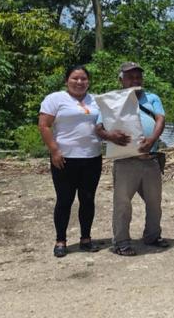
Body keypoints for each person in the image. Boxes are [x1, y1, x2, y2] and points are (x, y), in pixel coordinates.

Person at [95, 62, 168, 256]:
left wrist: (152, 139)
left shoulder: (152, 98)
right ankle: (121, 242)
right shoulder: (111, 100)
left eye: (138, 77)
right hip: (125, 160)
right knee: (123, 204)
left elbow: (160, 119)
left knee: (154, 202)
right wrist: (111, 136)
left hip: (150, 159)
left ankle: (152, 236)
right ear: (121, 80)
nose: (135, 80)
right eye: (130, 77)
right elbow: (98, 127)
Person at [38, 65, 103, 257]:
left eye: (83, 79)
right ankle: (61, 240)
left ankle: (86, 239)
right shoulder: (55, 99)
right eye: (75, 78)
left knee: (88, 199)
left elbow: (104, 124)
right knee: (65, 200)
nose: (79, 82)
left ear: (88, 81)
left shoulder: (96, 100)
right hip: (65, 158)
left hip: (92, 157)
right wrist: (54, 150)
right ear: (67, 81)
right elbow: (44, 125)